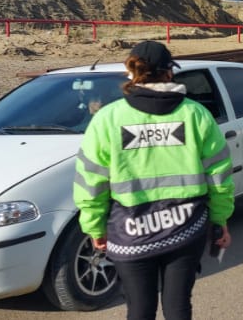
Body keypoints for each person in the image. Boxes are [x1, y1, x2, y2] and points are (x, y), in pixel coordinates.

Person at [74, 41, 234, 320]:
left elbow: (91, 181)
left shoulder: (107, 119)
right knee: (178, 306)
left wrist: (95, 227)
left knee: (139, 308)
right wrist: (220, 221)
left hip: (129, 231)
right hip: (186, 228)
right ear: (169, 73)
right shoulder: (195, 115)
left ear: (131, 73)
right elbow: (219, 175)